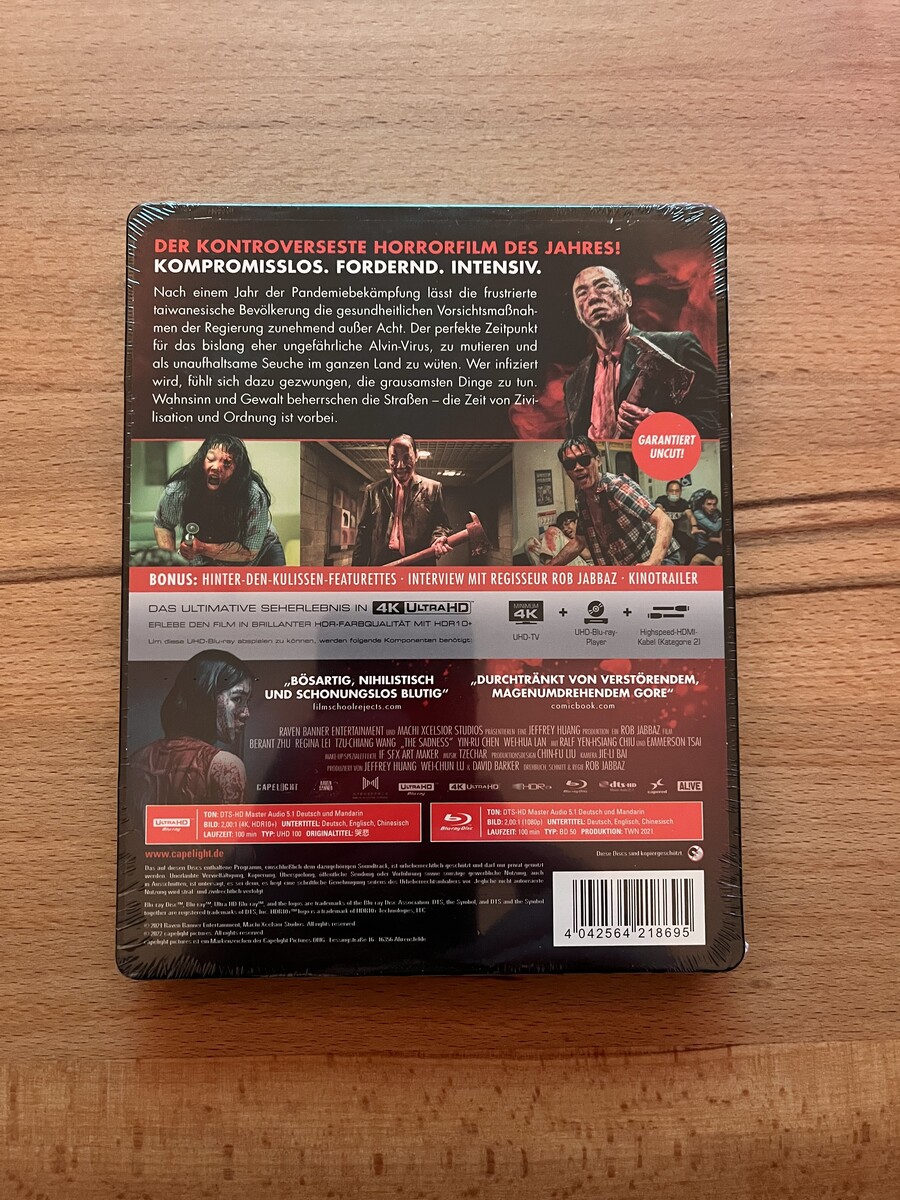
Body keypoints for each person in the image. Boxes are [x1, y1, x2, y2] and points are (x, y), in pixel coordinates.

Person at [563, 265, 718, 439]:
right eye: (582, 293)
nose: (592, 297)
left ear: (627, 298)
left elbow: (717, 417)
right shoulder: (574, 382)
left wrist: (659, 428)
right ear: (579, 315)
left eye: (603, 286)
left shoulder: (677, 347)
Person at [129, 651, 253, 810]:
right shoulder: (227, 766)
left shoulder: (135, 759)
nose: (246, 713)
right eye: (237, 699)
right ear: (205, 695)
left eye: (247, 701)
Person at [154, 434, 286, 566]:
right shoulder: (178, 491)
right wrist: (171, 563)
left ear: (237, 471)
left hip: (260, 554)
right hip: (206, 557)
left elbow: (250, 552)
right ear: (201, 461)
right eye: (211, 459)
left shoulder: (253, 495)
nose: (216, 467)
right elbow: (163, 525)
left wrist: (201, 547)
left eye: (227, 463)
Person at [548, 437, 679, 567]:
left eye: (584, 460)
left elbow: (664, 520)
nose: (578, 467)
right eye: (570, 464)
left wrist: (653, 562)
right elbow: (579, 541)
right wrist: (549, 567)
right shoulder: (581, 500)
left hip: (659, 558)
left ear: (598, 460)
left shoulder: (615, 487)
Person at [352, 435, 452, 566]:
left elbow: (442, 525)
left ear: (416, 456)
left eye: (406, 458)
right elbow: (363, 536)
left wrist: (437, 538)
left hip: (418, 566)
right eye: (394, 458)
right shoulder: (373, 491)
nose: (400, 465)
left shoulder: (433, 488)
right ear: (388, 458)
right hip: (382, 566)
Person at [655, 480, 699, 562]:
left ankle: (687, 566)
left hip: (674, 531)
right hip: (660, 531)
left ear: (680, 492)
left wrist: (694, 526)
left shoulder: (683, 503)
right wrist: (660, 510)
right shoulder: (662, 499)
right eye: (671, 491)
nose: (674, 493)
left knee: (692, 545)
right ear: (667, 492)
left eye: (677, 491)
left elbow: (690, 514)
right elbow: (658, 506)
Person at [523, 511, 589, 565]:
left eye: (567, 524)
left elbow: (587, 555)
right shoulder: (562, 540)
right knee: (530, 543)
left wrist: (567, 541)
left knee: (552, 530)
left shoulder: (584, 536)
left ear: (576, 522)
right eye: (562, 528)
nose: (565, 529)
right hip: (560, 564)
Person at [690, 493, 724, 566]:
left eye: (714, 504)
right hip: (704, 547)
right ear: (703, 505)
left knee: (719, 560)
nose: (712, 507)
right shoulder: (698, 513)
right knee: (696, 559)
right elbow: (714, 529)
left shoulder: (717, 513)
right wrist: (721, 519)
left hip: (717, 546)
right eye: (709, 504)